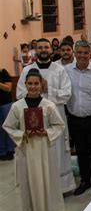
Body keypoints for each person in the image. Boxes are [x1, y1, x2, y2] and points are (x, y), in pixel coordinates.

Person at [3, 68, 65, 211]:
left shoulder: (48, 105)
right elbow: (8, 126)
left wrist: (46, 132)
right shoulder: (17, 106)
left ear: (41, 85)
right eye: (30, 83)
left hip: (45, 149)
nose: (33, 87)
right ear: (25, 84)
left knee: (48, 182)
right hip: (26, 149)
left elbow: (59, 125)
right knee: (28, 184)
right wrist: (21, 134)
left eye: (36, 83)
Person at [16, 38, 75, 194]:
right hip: (34, 117)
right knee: (37, 151)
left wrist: (49, 91)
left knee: (57, 149)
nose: (43, 50)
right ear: (36, 50)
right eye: (40, 47)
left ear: (51, 50)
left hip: (56, 115)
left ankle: (61, 188)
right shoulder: (27, 70)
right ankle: (39, 188)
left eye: (46, 47)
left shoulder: (60, 69)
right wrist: (37, 91)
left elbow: (66, 94)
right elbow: (20, 94)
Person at [66, 40, 91, 195]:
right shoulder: (66, 71)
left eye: (85, 53)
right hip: (74, 118)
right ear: (75, 54)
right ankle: (85, 181)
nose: (82, 55)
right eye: (80, 53)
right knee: (80, 151)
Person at [0, 67, 14, 160]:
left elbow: (8, 88)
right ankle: (2, 151)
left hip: (6, 104)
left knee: (8, 127)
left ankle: (10, 150)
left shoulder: (3, 72)